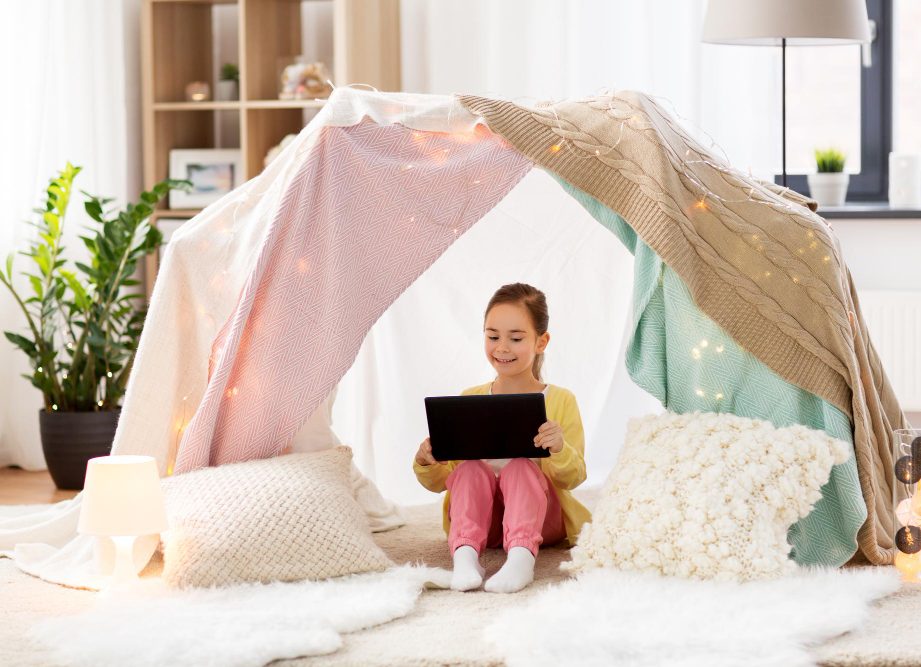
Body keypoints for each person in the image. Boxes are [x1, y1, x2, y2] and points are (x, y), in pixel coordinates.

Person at [413, 283, 591, 593]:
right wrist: (427, 460)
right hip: (485, 523)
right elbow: (443, 481)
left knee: (521, 466)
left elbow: (573, 477)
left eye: (516, 338)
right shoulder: (470, 399)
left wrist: (559, 448)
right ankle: (466, 557)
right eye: (493, 336)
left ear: (541, 341)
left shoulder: (561, 400)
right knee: (468, 470)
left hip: (539, 519)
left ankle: (522, 559)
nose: (502, 347)